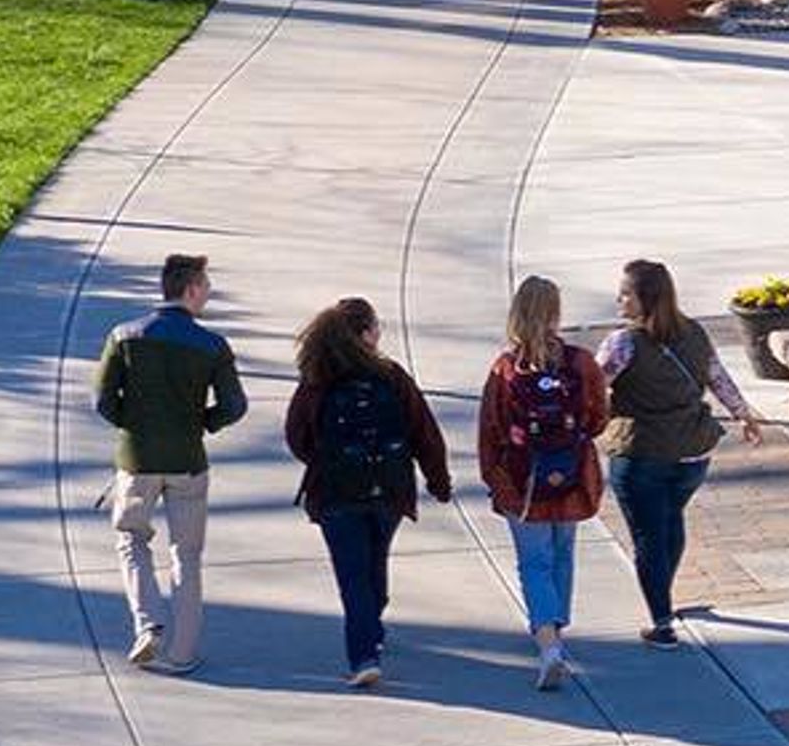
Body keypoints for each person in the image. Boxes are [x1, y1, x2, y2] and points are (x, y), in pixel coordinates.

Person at [281, 296, 453, 690]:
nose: (380, 334)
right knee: (375, 563)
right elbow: (425, 432)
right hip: (389, 490)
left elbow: (296, 435)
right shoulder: (393, 377)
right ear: (364, 335)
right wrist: (438, 482)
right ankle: (371, 628)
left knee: (352, 573)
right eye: (376, 327)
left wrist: (323, 460)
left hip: (337, 492)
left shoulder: (317, 380)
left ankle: (364, 654)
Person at [92, 250, 247, 673]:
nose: (210, 293)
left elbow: (102, 401)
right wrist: (203, 423)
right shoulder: (213, 346)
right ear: (191, 289)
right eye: (207, 286)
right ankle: (182, 653)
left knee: (131, 539)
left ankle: (148, 624)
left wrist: (134, 425)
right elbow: (234, 406)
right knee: (187, 555)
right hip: (188, 463)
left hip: (136, 461)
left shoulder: (124, 336)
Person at [597, 258, 764, 647]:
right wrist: (744, 414)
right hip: (692, 454)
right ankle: (665, 604)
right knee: (670, 524)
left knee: (649, 538)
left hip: (641, 455)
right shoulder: (694, 333)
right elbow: (717, 376)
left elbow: (591, 386)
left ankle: (661, 622)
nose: (618, 300)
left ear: (646, 299)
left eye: (626, 293)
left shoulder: (623, 343)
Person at [476, 274, 608, 689]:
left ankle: (547, 642)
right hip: (570, 476)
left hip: (523, 481)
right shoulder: (580, 363)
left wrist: (494, 480)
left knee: (533, 560)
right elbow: (598, 418)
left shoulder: (505, 370)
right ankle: (555, 632)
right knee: (562, 553)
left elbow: (490, 430)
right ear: (556, 313)